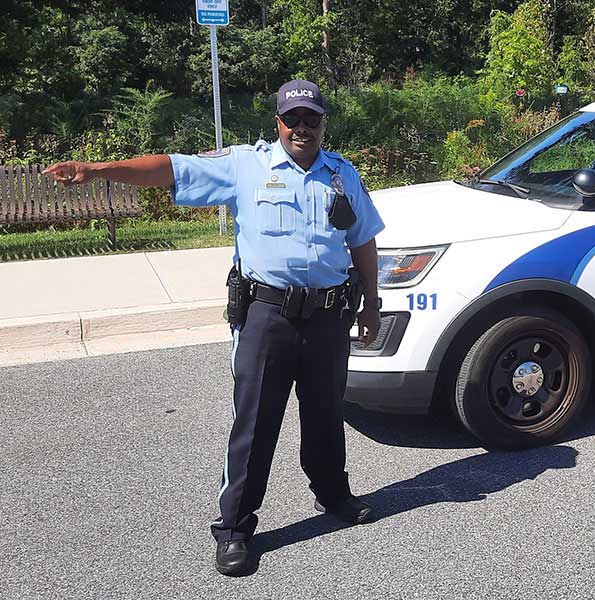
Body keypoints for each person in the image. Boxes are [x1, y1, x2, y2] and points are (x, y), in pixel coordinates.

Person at [44, 79, 385, 577]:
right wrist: (98, 170)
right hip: (268, 317)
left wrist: (371, 303)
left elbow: (363, 241)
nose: (302, 128)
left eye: (312, 118)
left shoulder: (341, 173)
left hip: (330, 315)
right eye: (293, 119)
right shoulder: (245, 165)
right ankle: (234, 530)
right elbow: (172, 167)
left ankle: (332, 493)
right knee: (255, 425)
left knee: (326, 414)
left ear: (323, 123)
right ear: (278, 122)